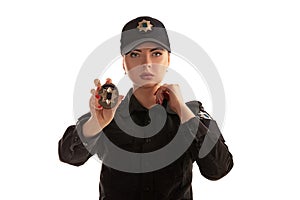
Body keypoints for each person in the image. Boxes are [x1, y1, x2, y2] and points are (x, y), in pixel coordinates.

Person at [58, 16, 233, 200]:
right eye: (135, 54)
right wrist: (96, 123)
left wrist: (183, 111)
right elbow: (69, 155)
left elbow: (218, 170)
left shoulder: (190, 115)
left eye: (156, 53)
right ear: (123, 64)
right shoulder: (107, 112)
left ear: (168, 60)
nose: (146, 62)